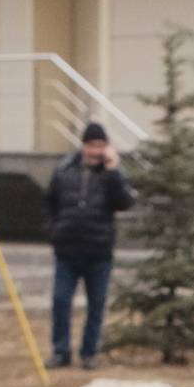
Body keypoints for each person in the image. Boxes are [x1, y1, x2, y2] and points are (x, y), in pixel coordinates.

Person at [43, 122, 136, 372]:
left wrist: (113, 171)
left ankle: (89, 353)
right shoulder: (64, 170)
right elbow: (50, 203)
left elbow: (125, 202)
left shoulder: (110, 174)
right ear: (84, 146)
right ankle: (60, 351)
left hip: (99, 252)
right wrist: (54, 232)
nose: (96, 150)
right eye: (93, 145)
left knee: (96, 305)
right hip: (67, 250)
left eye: (101, 145)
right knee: (61, 302)